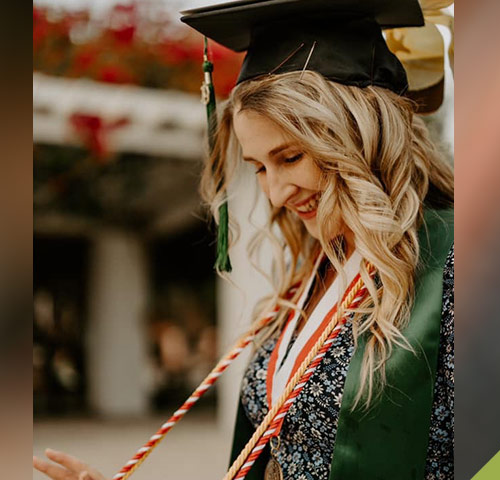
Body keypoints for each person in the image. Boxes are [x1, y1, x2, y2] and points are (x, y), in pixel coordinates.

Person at [34, 0, 454, 479]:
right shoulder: (314, 273)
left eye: (291, 157)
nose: (275, 192)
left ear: (358, 134)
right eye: (258, 168)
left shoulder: (458, 265)